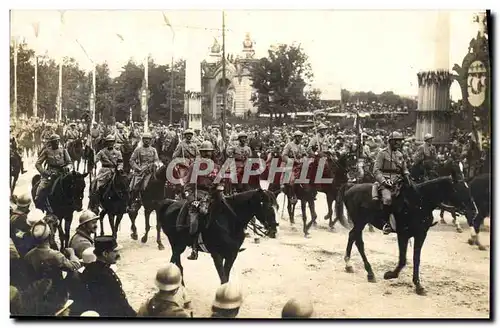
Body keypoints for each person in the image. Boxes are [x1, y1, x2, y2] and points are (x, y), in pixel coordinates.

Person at [180, 141, 224, 260]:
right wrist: (192, 200)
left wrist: (220, 190)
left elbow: (220, 183)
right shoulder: (195, 166)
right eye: (205, 152)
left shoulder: (217, 167)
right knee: (195, 220)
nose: (207, 154)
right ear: (201, 153)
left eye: (209, 152)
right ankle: (194, 248)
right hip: (198, 194)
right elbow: (188, 186)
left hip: (213, 196)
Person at [81, 235, 136, 317]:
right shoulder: (105, 275)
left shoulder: (90, 268)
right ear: (105, 253)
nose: (118, 255)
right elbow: (119, 302)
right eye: (115, 251)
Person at [372, 131, 410, 234]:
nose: (399, 143)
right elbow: (376, 170)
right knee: (388, 199)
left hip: (398, 181)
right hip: (385, 182)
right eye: (396, 141)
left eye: (400, 141)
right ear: (391, 141)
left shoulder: (400, 154)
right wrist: (383, 181)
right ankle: (386, 224)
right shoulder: (382, 153)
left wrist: (407, 175)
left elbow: (404, 168)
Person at [33, 134, 72, 212]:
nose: (56, 143)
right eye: (54, 141)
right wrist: (44, 172)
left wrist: (67, 167)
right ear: (51, 142)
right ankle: (40, 206)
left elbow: (70, 162)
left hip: (63, 172)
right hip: (51, 173)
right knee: (40, 188)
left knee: (73, 186)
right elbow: (38, 164)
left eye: (57, 141)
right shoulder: (46, 151)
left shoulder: (63, 150)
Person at [89, 135, 124, 213]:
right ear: (106, 143)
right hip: (104, 171)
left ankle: (124, 203)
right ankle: (96, 203)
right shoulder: (102, 152)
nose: (110, 143)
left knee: (124, 184)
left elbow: (120, 162)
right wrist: (91, 158)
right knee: (96, 184)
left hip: (115, 171)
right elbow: (95, 160)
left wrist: (119, 168)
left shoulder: (118, 152)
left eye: (112, 142)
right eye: (109, 142)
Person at [129, 132, 160, 209]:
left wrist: (155, 165)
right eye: (145, 139)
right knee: (136, 185)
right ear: (142, 140)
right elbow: (131, 160)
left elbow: (156, 160)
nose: (147, 141)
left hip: (151, 170)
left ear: (151, 140)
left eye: (148, 139)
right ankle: (135, 200)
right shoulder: (138, 149)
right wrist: (137, 168)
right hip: (141, 170)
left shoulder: (153, 150)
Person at [281, 130, 306, 203]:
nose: (299, 138)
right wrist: (291, 160)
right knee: (291, 179)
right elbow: (283, 156)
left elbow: (304, 154)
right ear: (294, 137)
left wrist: (303, 159)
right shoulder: (289, 145)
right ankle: (292, 194)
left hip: (300, 164)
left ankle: (309, 193)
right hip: (291, 165)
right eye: (298, 136)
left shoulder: (301, 146)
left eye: (300, 137)